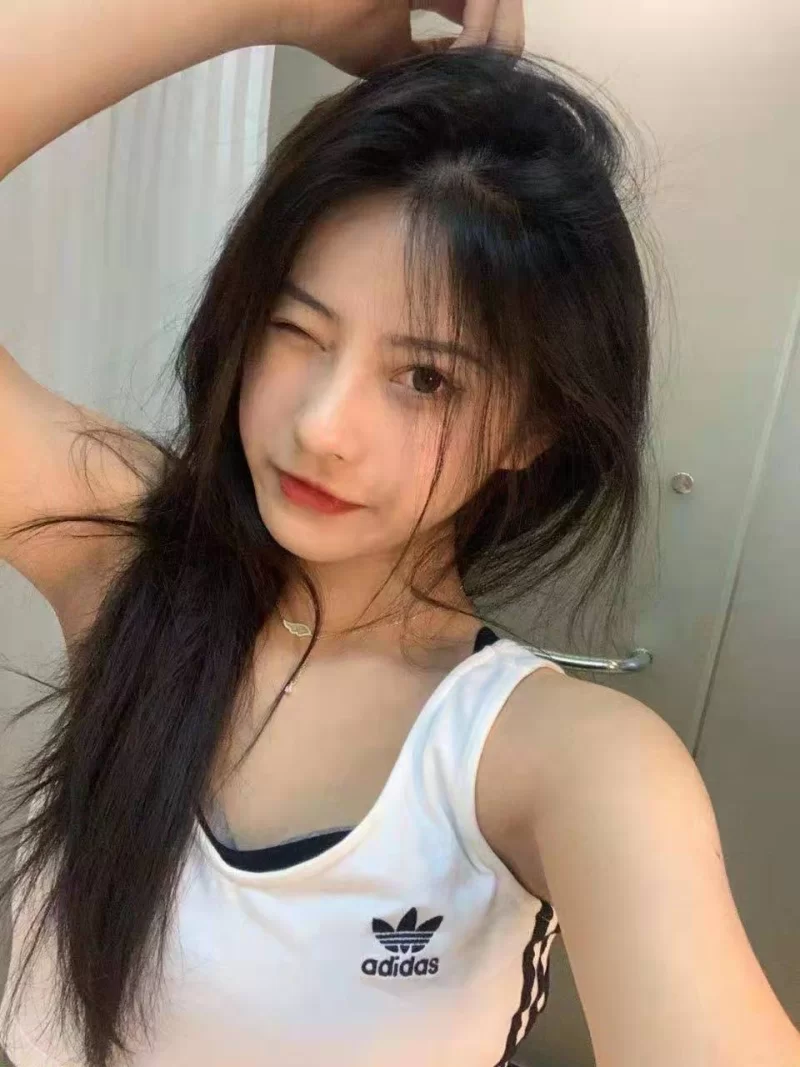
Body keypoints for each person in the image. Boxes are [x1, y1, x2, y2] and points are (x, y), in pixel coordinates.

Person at [0, 1, 798, 1065]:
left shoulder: (560, 762)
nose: (322, 426)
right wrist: (282, 7)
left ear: (531, 427)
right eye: (296, 330)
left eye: (424, 377)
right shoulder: (130, 559)